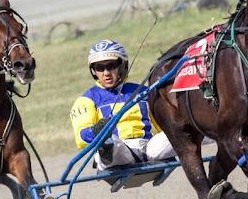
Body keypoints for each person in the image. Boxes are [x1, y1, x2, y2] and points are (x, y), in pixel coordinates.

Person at [70, 39, 175, 169]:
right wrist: (96, 130)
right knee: (111, 141)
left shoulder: (144, 91)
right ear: (93, 71)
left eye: (111, 66)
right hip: (120, 151)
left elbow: (163, 125)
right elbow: (81, 138)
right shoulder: (87, 100)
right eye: (99, 68)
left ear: (122, 66)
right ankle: (105, 148)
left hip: (150, 149)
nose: (106, 73)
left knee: (179, 131)